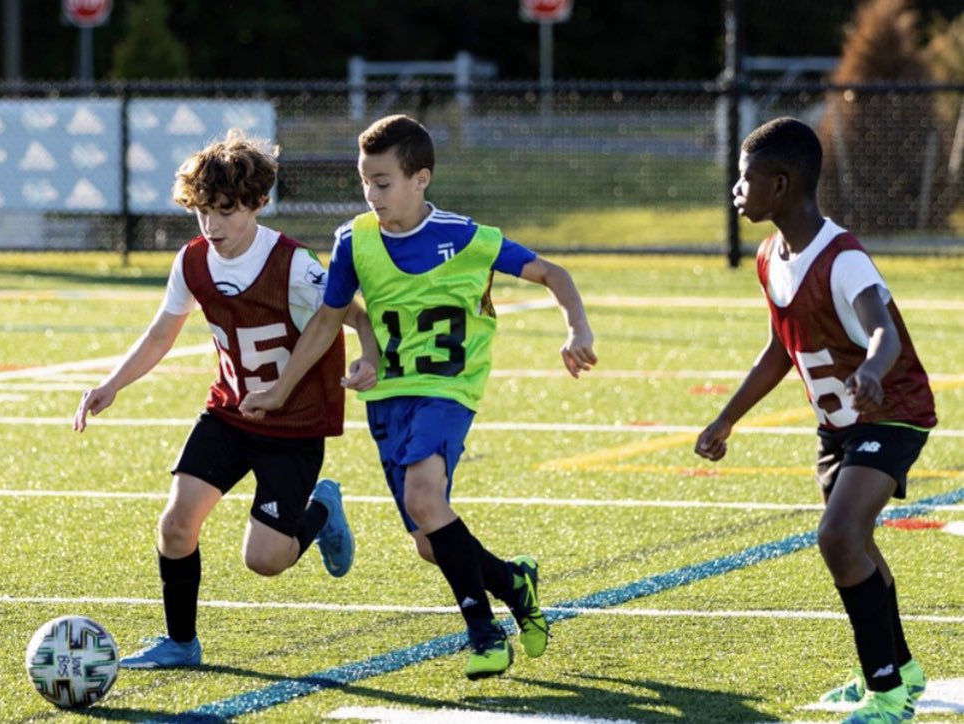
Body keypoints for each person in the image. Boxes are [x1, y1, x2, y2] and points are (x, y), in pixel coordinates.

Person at [240, 114, 598, 679]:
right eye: (365, 181)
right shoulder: (353, 240)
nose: (372, 194)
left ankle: (484, 632)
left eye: (383, 182)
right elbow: (328, 320)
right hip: (388, 399)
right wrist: (280, 390)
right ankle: (511, 581)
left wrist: (577, 329)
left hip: (448, 390)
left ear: (420, 179)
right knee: (432, 541)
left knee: (425, 500)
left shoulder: (465, 236)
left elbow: (553, 274)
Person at [73, 129, 379, 669]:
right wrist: (112, 384)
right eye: (202, 213)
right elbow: (160, 334)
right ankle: (181, 642)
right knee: (175, 525)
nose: (213, 226)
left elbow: (352, 311)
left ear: (259, 203)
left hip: (294, 424)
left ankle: (323, 507)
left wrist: (370, 354)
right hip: (231, 413)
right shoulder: (192, 261)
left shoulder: (293, 262)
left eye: (227, 212)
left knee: (264, 561)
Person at [694, 117, 936, 724]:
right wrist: (726, 419)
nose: (736, 189)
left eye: (745, 178)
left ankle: (886, 696)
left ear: (780, 184)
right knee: (855, 542)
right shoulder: (772, 255)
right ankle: (899, 670)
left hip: (891, 411)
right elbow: (781, 348)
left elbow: (881, 328)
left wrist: (875, 370)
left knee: (839, 538)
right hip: (838, 426)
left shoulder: (843, 257)